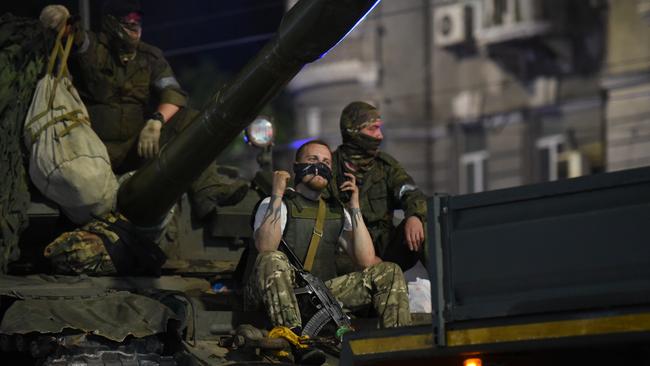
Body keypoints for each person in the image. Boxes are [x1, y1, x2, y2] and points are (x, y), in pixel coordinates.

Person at [245, 140, 411, 365]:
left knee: (389, 272)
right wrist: (276, 193)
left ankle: (399, 351)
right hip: (271, 294)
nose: (319, 166)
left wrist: (354, 207)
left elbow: (366, 260)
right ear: (296, 166)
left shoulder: (336, 212)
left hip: (317, 294)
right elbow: (265, 247)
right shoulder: (276, 203)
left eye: (325, 162)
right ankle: (296, 341)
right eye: (312, 160)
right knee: (272, 258)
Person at [70, 0, 188, 173]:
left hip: (137, 146)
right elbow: (76, 37)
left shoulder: (149, 57)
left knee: (189, 119)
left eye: (137, 20)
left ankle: (210, 190)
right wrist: (61, 20)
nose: (135, 25)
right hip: (94, 149)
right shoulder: (93, 48)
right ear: (111, 22)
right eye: (128, 20)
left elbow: (173, 92)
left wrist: (156, 121)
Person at [329, 101, 428, 272]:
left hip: (385, 251)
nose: (379, 136)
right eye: (372, 129)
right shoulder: (331, 168)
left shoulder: (384, 166)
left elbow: (411, 192)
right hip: (347, 254)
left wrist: (415, 216)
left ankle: (448, 293)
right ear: (353, 131)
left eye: (379, 128)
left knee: (427, 224)